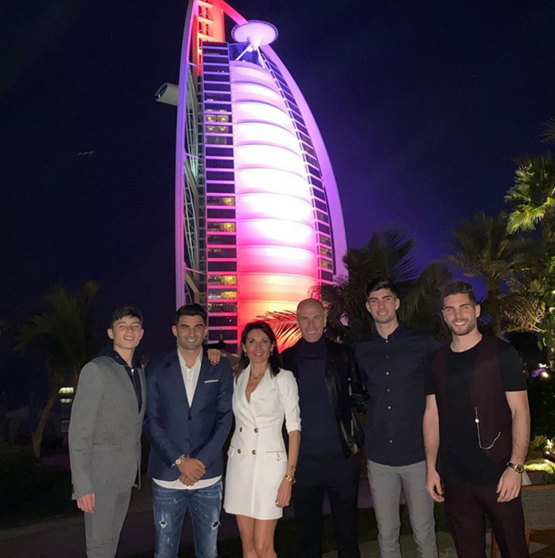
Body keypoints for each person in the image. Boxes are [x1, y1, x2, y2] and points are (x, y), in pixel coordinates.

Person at [424, 281, 530, 558]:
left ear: (476, 310)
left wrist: (515, 467)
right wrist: (431, 467)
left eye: (464, 307)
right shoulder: (436, 361)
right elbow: (431, 414)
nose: (458, 315)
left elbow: (520, 411)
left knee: (514, 550)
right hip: (456, 477)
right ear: (444, 315)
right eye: (451, 309)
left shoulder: (501, 354)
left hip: (499, 474)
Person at [355, 278, 437, 558]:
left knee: (424, 530)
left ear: (397, 303)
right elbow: (358, 390)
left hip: (417, 454)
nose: (381, 305)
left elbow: (438, 391)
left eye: (387, 298)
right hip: (379, 456)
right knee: (387, 533)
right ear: (368, 306)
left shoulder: (423, 343)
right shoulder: (362, 348)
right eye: (375, 300)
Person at [144, 304, 233, 558]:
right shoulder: (157, 367)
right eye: (185, 327)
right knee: (164, 552)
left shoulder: (219, 366)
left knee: (208, 552)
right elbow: (150, 419)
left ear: (205, 331)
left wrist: (200, 462)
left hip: (207, 476)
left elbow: (225, 417)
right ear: (175, 330)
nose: (191, 333)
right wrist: (180, 461)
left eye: (197, 327)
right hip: (167, 475)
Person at [281, 299, 366, 558]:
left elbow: (360, 395)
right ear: (297, 321)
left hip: (342, 458)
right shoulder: (286, 360)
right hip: (304, 463)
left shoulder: (343, 354)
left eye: (316, 317)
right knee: (308, 536)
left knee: (347, 534)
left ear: (325, 318)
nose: (310, 324)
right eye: (304, 319)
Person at [69, 306, 146, 558]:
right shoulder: (96, 369)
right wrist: (82, 485)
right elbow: (79, 432)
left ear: (141, 333)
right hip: (99, 478)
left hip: (125, 476)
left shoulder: (139, 372)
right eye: (122, 326)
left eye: (134, 325)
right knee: (100, 546)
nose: (129, 330)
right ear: (111, 333)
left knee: (111, 543)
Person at [224, 320, 301, 558]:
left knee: (263, 546)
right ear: (244, 347)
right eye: (252, 341)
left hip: (270, 469)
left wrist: (288, 478)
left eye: (264, 341)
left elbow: (294, 430)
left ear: (272, 346)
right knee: (247, 547)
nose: (258, 347)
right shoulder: (237, 378)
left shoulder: (283, 378)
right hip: (240, 466)